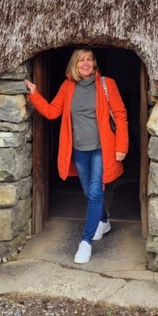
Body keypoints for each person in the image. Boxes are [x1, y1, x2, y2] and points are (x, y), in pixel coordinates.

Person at [25, 48, 129, 264]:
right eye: (81, 60)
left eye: (89, 59)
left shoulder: (107, 84)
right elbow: (52, 111)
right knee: (89, 191)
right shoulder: (68, 86)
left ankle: (85, 242)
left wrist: (122, 146)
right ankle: (103, 221)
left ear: (94, 63)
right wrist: (34, 94)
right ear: (74, 64)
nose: (85, 63)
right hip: (79, 149)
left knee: (95, 191)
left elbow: (120, 115)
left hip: (102, 148)